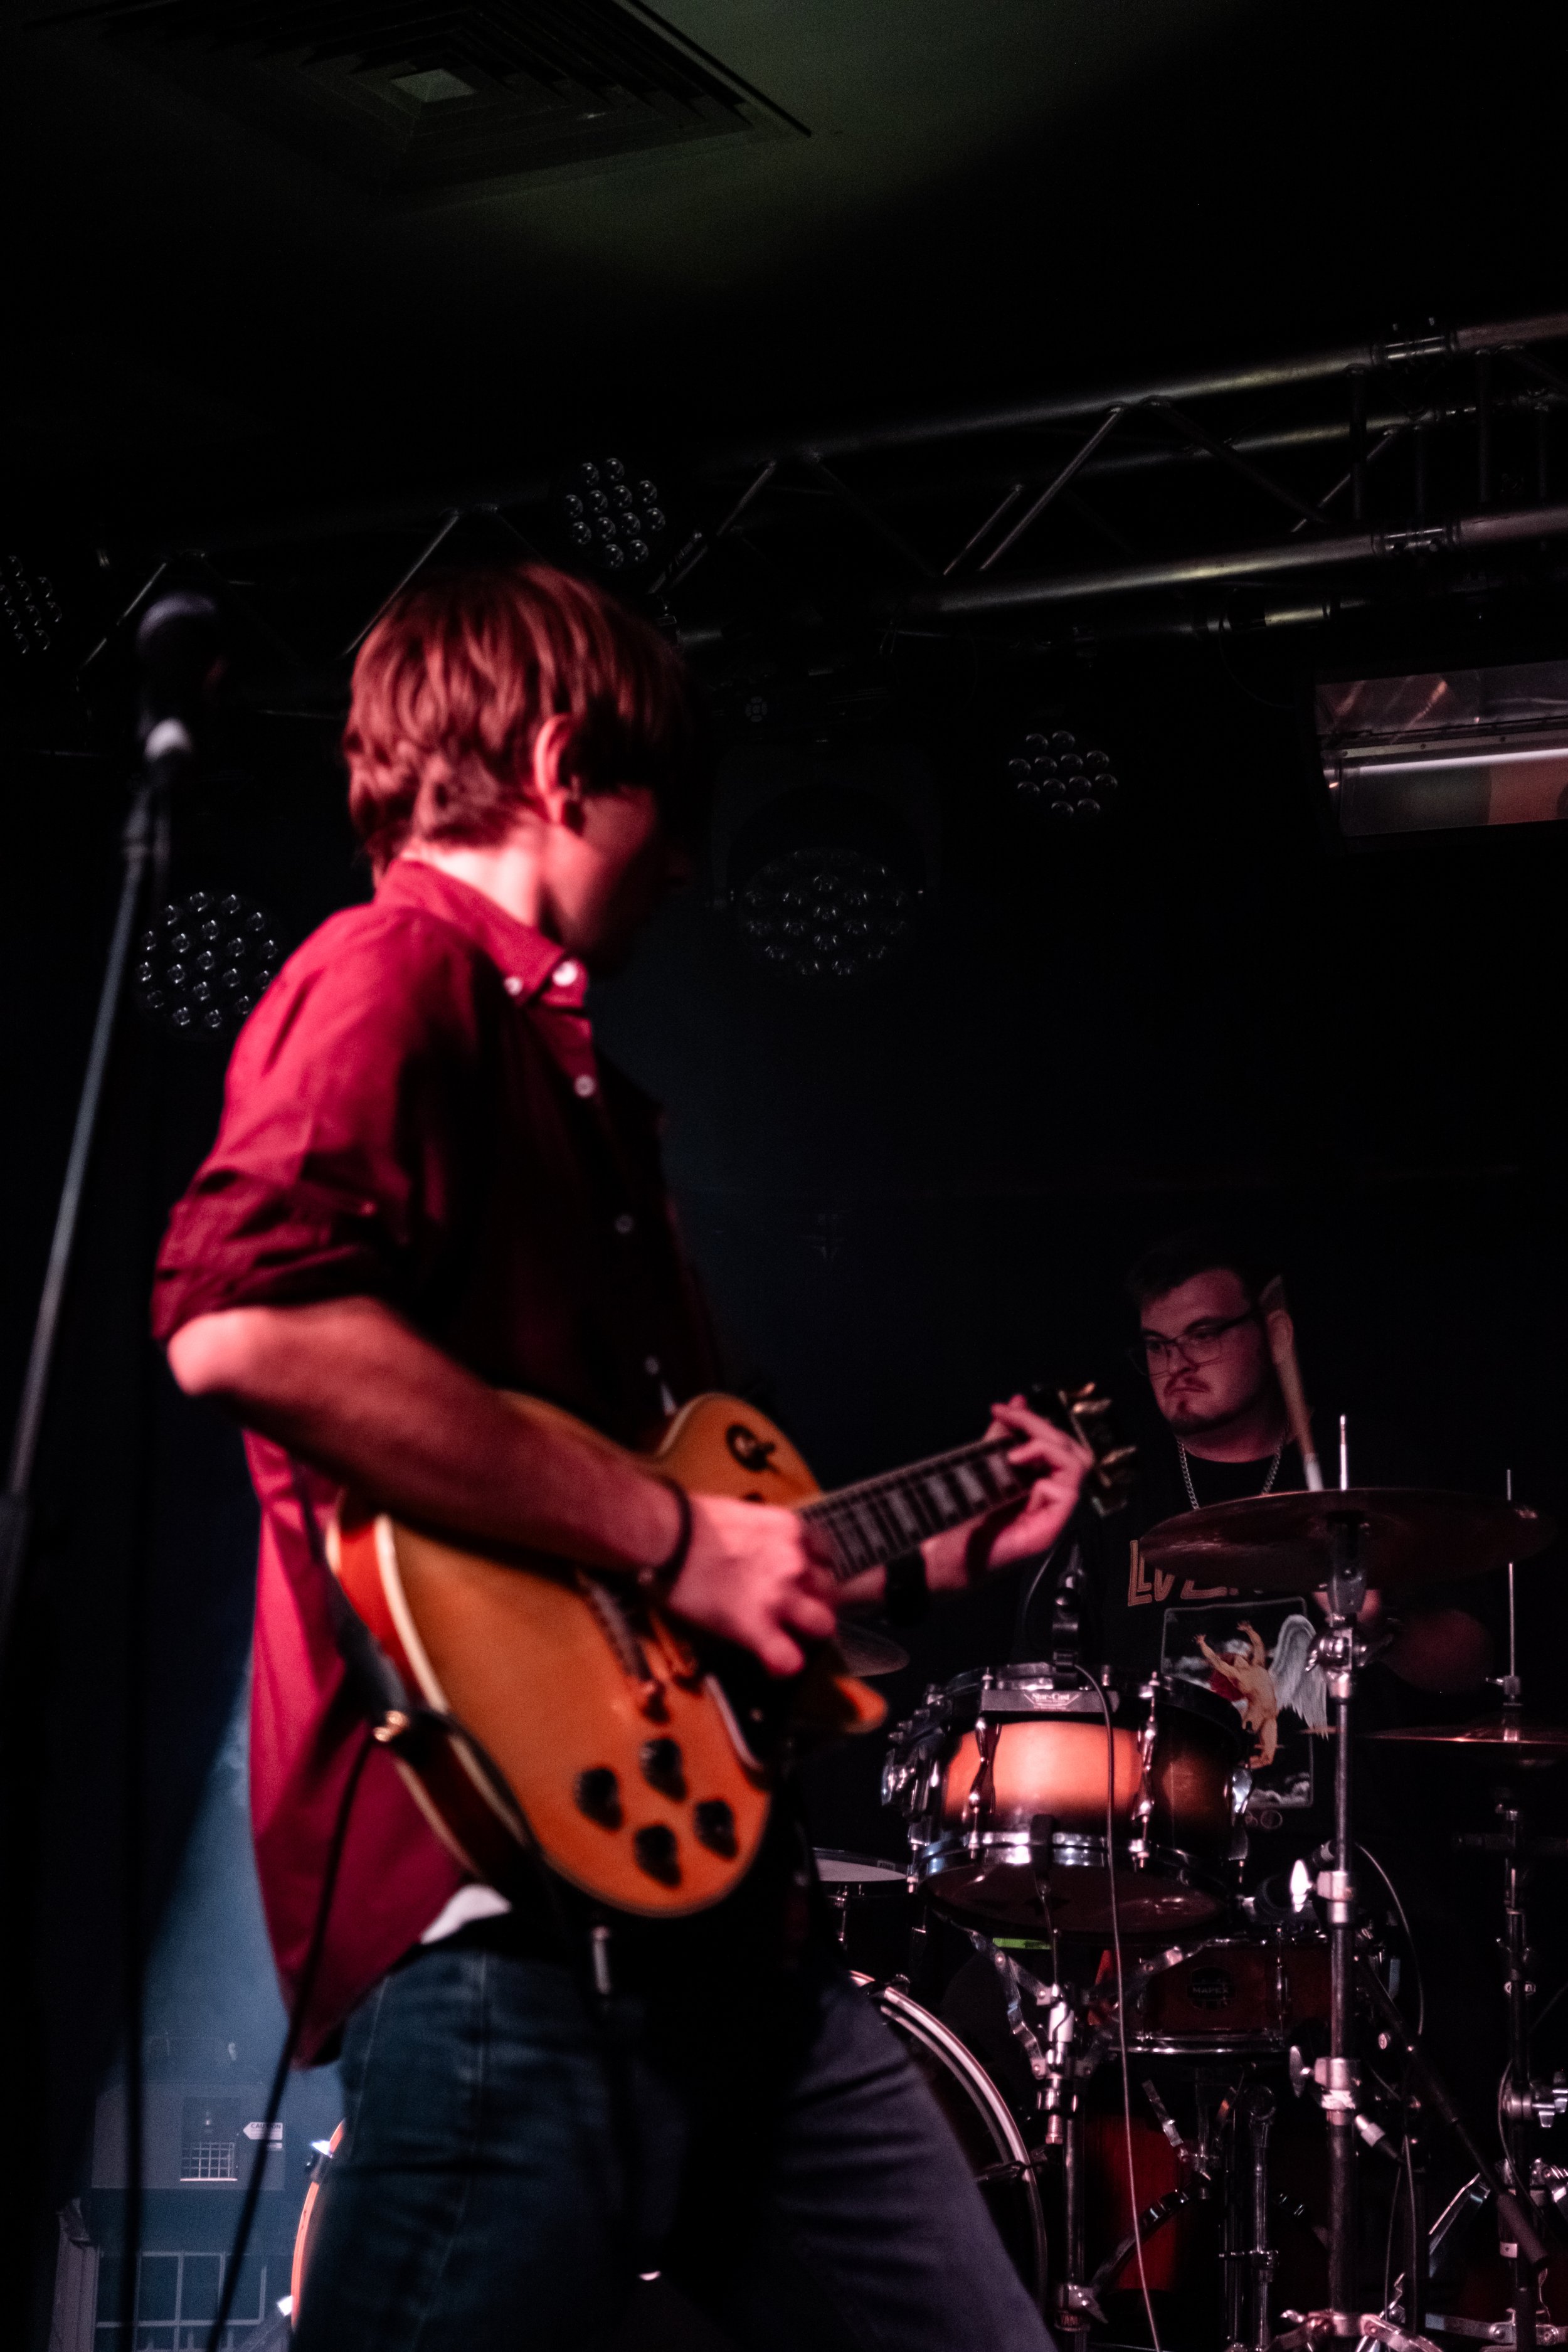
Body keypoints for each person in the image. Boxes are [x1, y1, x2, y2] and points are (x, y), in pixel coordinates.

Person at [152, 563, 1089, 2352]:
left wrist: (908, 1565)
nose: (685, 869)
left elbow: (663, 1566)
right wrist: (674, 1534)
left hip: (736, 1957)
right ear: (567, 761)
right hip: (518, 1956)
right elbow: (242, 1321)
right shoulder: (393, 972)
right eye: (673, 810)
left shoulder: (579, 1085)